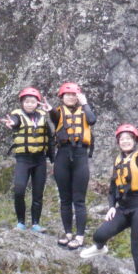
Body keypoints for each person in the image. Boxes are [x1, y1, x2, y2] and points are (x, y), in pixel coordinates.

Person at [79, 124, 138, 274]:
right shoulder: (119, 160)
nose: (125, 141)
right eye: (122, 139)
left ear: (135, 140)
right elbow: (113, 187)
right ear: (118, 142)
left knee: (137, 250)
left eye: (129, 138)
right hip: (123, 207)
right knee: (99, 235)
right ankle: (100, 247)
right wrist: (112, 206)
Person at [42, 82, 96, 250]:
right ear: (62, 97)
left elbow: (92, 120)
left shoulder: (85, 110)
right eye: (68, 95)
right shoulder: (57, 112)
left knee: (78, 199)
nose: (71, 97)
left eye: (74, 95)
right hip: (63, 156)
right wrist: (49, 109)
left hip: (80, 156)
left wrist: (85, 102)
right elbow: (54, 117)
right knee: (65, 199)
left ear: (78, 97)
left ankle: (79, 236)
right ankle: (68, 233)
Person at [2, 87, 55, 232]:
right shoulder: (16, 115)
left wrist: (53, 159)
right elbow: (15, 122)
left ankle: (36, 223)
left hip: (40, 159)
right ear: (22, 103)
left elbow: (50, 139)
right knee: (19, 190)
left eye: (32, 101)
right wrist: (12, 124)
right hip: (23, 159)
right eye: (26, 102)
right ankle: (21, 222)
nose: (30, 104)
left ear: (37, 103)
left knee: (38, 193)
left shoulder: (43, 116)